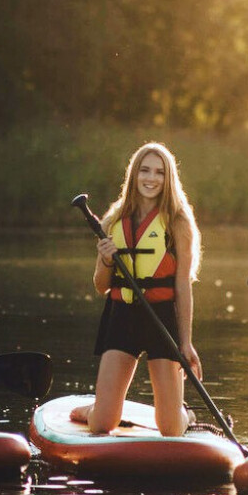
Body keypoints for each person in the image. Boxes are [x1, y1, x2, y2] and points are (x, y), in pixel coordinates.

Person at [70, 142, 203, 437]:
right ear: (134, 174)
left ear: (168, 179)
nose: (151, 178)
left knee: (170, 429)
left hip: (162, 318)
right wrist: (106, 260)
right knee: (102, 424)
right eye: (145, 170)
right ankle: (93, 410)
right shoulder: (113, 220)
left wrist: (186, 343)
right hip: (122, 316)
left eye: (159, 172)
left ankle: (184, 413)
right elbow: (101, 286)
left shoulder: (179, 222)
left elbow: (183, 285)